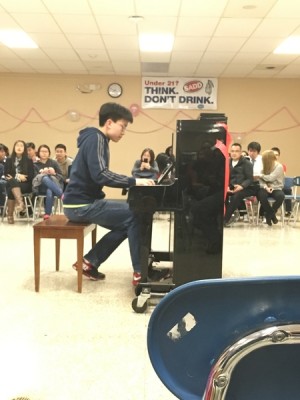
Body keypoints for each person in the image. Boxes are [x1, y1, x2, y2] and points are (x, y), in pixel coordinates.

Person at [63, 102, 155, 286]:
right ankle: (140, 273)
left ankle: (89, 262)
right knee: (135, 215)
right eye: (123, 126)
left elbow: (99, 174)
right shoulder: (96, 139)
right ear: (110, 122)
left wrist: (132, 182)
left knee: (127, 223)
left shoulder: (98, 140)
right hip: (81, 205)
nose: (123, 132)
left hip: (81, 203)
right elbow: (101, 175)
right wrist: (134, 181)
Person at [224, 143, 256, 227]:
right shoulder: (227, 162)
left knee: (236, 196)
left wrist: (241, 186)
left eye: (237, 151)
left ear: (241, 152)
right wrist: (227, 187)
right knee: (222, 195)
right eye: (232, 151)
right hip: (231, 187)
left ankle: (225, 219)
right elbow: (225, 176)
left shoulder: (247, 163)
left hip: (245, 188)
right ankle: (224, 216)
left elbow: (250, 179)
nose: (234, 153)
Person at [4, 140, 34, 224]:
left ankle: (10, 215)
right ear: (14, 147)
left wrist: (20, 177)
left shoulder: (28, 160)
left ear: (24, 148)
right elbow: (6, 174)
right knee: (12, 182)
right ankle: (21, 203)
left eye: (21, 146)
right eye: (17, 145)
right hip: (13, 183)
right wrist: (18, 176)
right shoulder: (9, 159)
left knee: (11, 188)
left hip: (25, 185)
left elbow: (31, 175)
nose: (19, 147)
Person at [33, 144, 64, 220]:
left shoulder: (54, 163)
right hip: (41, 186)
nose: (44, 153)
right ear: (38, 153)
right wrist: (41, 173)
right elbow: (34, 178)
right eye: (42, 151)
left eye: (46, 151)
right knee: (44, 178)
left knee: (49, 190)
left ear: (49, 153)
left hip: (54, 184)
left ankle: (47, 214)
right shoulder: (35, 164)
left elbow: (61, 177)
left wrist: (54, 173)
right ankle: (61, 195)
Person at [256, 150, 285, 226]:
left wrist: (260, 175)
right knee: (261, 195)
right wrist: (266, 187)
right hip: (265, 187)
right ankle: (271, 214)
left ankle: (268, 214)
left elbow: (271, 178)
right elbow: (261, 181)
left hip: (276, 188)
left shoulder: (279, 166)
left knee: (281, 196)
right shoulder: (263, 166)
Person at [271, 146, 291, 216]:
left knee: (288, 189)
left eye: (276, 155)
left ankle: (288, 211)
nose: (275, 156)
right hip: (269, 185)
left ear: (279, 156)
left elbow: (282, 177)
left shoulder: (282, 166)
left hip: (279, 185)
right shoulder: (266, 165)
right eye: (273, 155)